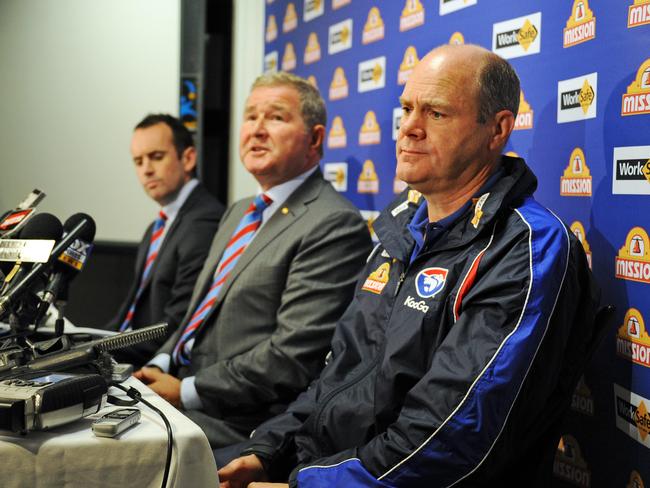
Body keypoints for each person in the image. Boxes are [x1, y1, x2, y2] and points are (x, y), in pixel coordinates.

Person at [217, 44, 600, 487]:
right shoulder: (401, 230)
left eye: (435, 113)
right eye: (406, 108)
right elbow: (339, 375)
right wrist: (267, 451)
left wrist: (304, 484)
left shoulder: (525, 246)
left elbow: (451, 437)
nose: (409, 129)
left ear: (497, 130)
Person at [134, 73, 373, 450]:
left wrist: (186, 390)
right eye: (250, 117)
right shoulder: (239, 211)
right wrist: (161, 363)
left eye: (276, 117)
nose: (257, 130)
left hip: (238, 423)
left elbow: (289, 357)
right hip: (177, 395)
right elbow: (199, 312)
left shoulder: (333, 223)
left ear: (314, 139)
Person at [109, 114, 224, 368]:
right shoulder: (157, 227)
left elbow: (178, 322)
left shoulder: (204, 221)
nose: (146, 169)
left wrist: (102, 352)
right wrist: (83, 344)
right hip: (126, 355)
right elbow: (129, 311)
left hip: (156, 365)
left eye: (156, 157)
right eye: (138, 161)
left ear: (189, 158)